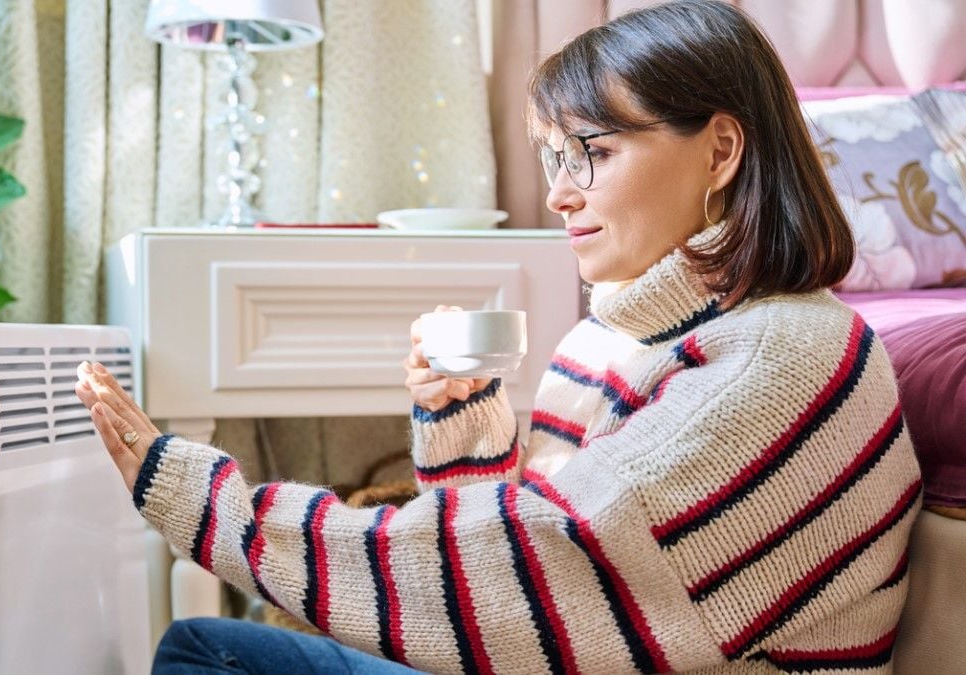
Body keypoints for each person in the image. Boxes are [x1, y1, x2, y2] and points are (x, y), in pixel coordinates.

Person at [76, 1, 921, 672]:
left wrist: (215, 508)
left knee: (208, 651)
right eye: (554, 157)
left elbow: (536, 561)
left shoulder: (784, 359)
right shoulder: (612, 340)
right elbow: (525, 602)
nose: (559, 193)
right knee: (215, 646)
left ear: (722, 148)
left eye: (589, 150)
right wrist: (469, 430)